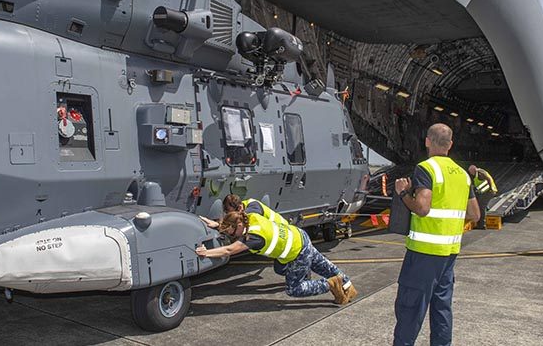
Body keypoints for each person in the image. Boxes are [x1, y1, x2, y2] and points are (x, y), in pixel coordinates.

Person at [392, 123, 480, 346]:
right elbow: (474, 214)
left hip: (423, 254)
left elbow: (422, 207)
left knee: (410, 309)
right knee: (442, 310)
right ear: (450, 145)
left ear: (427, 141)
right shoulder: (462, 175)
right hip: (449, 254)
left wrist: (403, 193)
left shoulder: (426, 168)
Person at [195, 206, 357, 304]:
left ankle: (330, 285)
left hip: (297, 252)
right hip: (300, 237)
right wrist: (218, 225)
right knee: (324, 266)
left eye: (233, 232)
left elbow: (228, 250)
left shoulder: (254, 238)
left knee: (294, 289)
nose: (233, 236)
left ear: (239, 224)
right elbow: (234, 226)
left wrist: (206, 253)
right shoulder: (250, 216)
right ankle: (348, 285)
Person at [467, 165, 497, 229]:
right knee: (479, 202)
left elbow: (488, 179)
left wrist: (491, 188)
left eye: (470, 172)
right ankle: (486, 208)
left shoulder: (480, 173)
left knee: (481, 207)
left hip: (489, 192)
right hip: (484, 192)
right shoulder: (477, 174)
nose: (470, 173)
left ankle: (481, 225)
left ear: (473, 170)